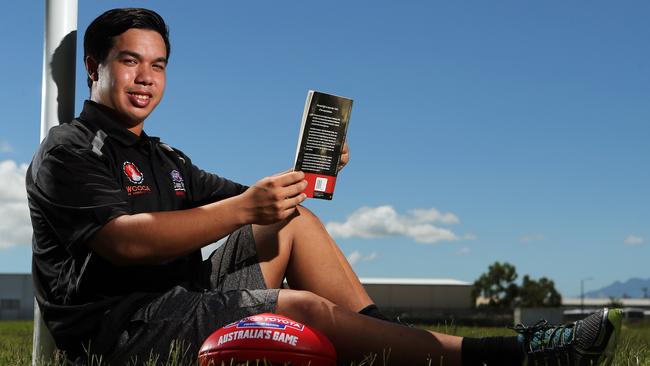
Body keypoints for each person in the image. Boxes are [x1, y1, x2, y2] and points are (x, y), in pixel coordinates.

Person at [26, 8, 621, 366]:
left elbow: (263, 201)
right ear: (95, 68)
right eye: (130, 62)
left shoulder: (165, 156)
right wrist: (243, 206)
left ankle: (391, 345)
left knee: (292, 220)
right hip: (124, 335)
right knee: (305, 311)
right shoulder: (70, 149)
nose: (146, 78)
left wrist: (312, 172)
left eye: (158, 66)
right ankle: (505, 356)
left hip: (183, 303)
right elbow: (125, 242)